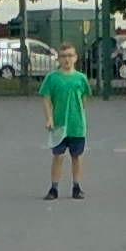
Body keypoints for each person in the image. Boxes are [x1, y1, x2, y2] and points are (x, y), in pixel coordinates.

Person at [40, 43, 90, 199]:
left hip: (77, 126)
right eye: (63, 56)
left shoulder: (81, 78)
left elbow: (84, 99)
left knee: (77, 157)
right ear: (59, 59)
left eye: (70, 55)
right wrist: (49, 118)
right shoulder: (52, 78)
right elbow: (46, 99)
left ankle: (77, 187)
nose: (67, 59)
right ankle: (54, 188)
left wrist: (78, 114)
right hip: (59, 125)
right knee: (58, 156)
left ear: (75, 58)